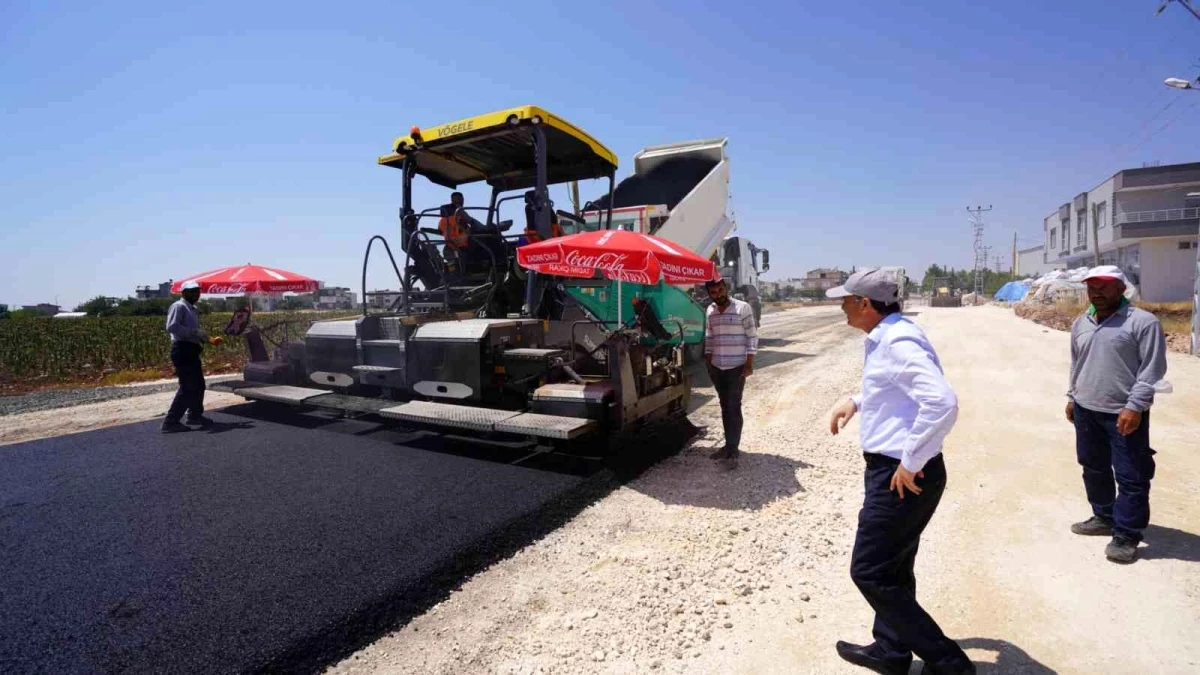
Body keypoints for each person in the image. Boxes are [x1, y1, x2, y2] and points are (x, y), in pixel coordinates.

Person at [827, 269, 974, 675]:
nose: (840, 306)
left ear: (865, 305)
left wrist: (911, 460)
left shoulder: (897, 340)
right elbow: (893, 388)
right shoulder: (887, 335)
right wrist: (857, 401)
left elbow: (942, 402)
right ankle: (890, 651)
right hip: (895, 470)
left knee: (870, 570)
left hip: (902, 474)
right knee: (893, 567)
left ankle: (949, 664)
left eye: (845, 299)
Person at [1066, 265, 1167, 564]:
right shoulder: (1081, 322)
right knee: (1093, 467)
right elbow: (1077, 363)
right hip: (1086, 409)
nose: (1097, 291)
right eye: (1092, 286)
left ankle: (1127, 533)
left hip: (1122, 412)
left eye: (1104, 286)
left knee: (1132, 474)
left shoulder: (1142, 322)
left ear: (1121, 289)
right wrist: (1072, 396)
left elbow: (1152, 370)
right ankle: (1104, 516)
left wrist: (1135, 406)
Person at [703, 277, 757, 471]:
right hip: (717, 366)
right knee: (725, 405)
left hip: (737, 366)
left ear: (726, 288)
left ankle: (733, 448)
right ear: (709, 294)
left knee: (734, 405)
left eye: (720, 290)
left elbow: (752, 337)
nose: (718, 295)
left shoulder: (743, 308)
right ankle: (728, 445)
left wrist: (749, 364)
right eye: (713, 293)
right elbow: (709, 337)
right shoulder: (710, 310)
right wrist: (709, 361)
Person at [161, 281, 222, 433]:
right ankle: (171, 421)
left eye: (197, 291)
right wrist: (194, 333)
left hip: (190, 350)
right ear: (183, 293)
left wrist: (207, 339)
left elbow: (191, 330)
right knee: (187, 387)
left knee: (199, 385)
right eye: (191, 291)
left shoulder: (192, 309)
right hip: (182, 350)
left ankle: (194, 415)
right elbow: (172, 327)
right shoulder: (179, 306)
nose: (196, 294)